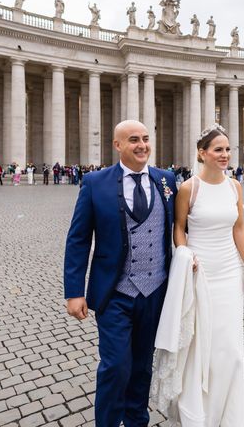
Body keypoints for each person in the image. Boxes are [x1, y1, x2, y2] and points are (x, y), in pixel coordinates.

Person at [64, 120, 177, 427]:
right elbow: (78, 239)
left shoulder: (166, 180)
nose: (142, 145)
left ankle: (137, 420)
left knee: (142, 367)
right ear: (117, 145)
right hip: (115, 292)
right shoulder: (94, 183)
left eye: (145, 139)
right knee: (116, 366)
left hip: (155, 292)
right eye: (133, 140)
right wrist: (74, 291)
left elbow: (182, 228)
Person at [155, 124, 244, 424]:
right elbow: (179, 227)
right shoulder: (189, 188)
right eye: (218, 150)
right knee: (203, 347)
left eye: (227, 149)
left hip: (228, 271)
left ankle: (228, 414)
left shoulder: (235, 186)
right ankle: (198, 413)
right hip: (201, 272)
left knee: (231, 350)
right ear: (202, 153)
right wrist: (185, 255)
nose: (225, 155)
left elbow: (239, 227)